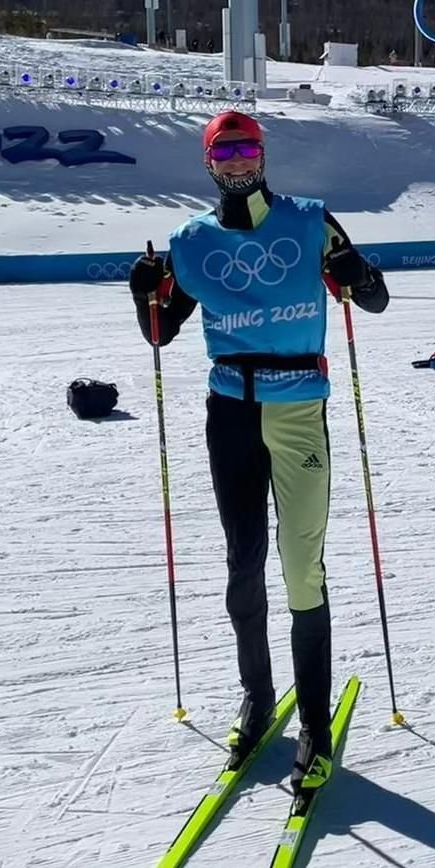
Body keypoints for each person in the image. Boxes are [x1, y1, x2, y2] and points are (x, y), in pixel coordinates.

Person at [129, 111, 389, 794]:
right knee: (242, 561)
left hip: (298, 407)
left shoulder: (309, 222)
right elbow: (161, 331)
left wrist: (355, 271)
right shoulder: (193, 242)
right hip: (231, 413)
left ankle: (313, 724)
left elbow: (376, 297)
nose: (238, 162)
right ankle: (256, 693)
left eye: (246, 149)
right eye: (225, 152)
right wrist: (141, 297)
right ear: (209, 163)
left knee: (302, 566)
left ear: (262, 156)